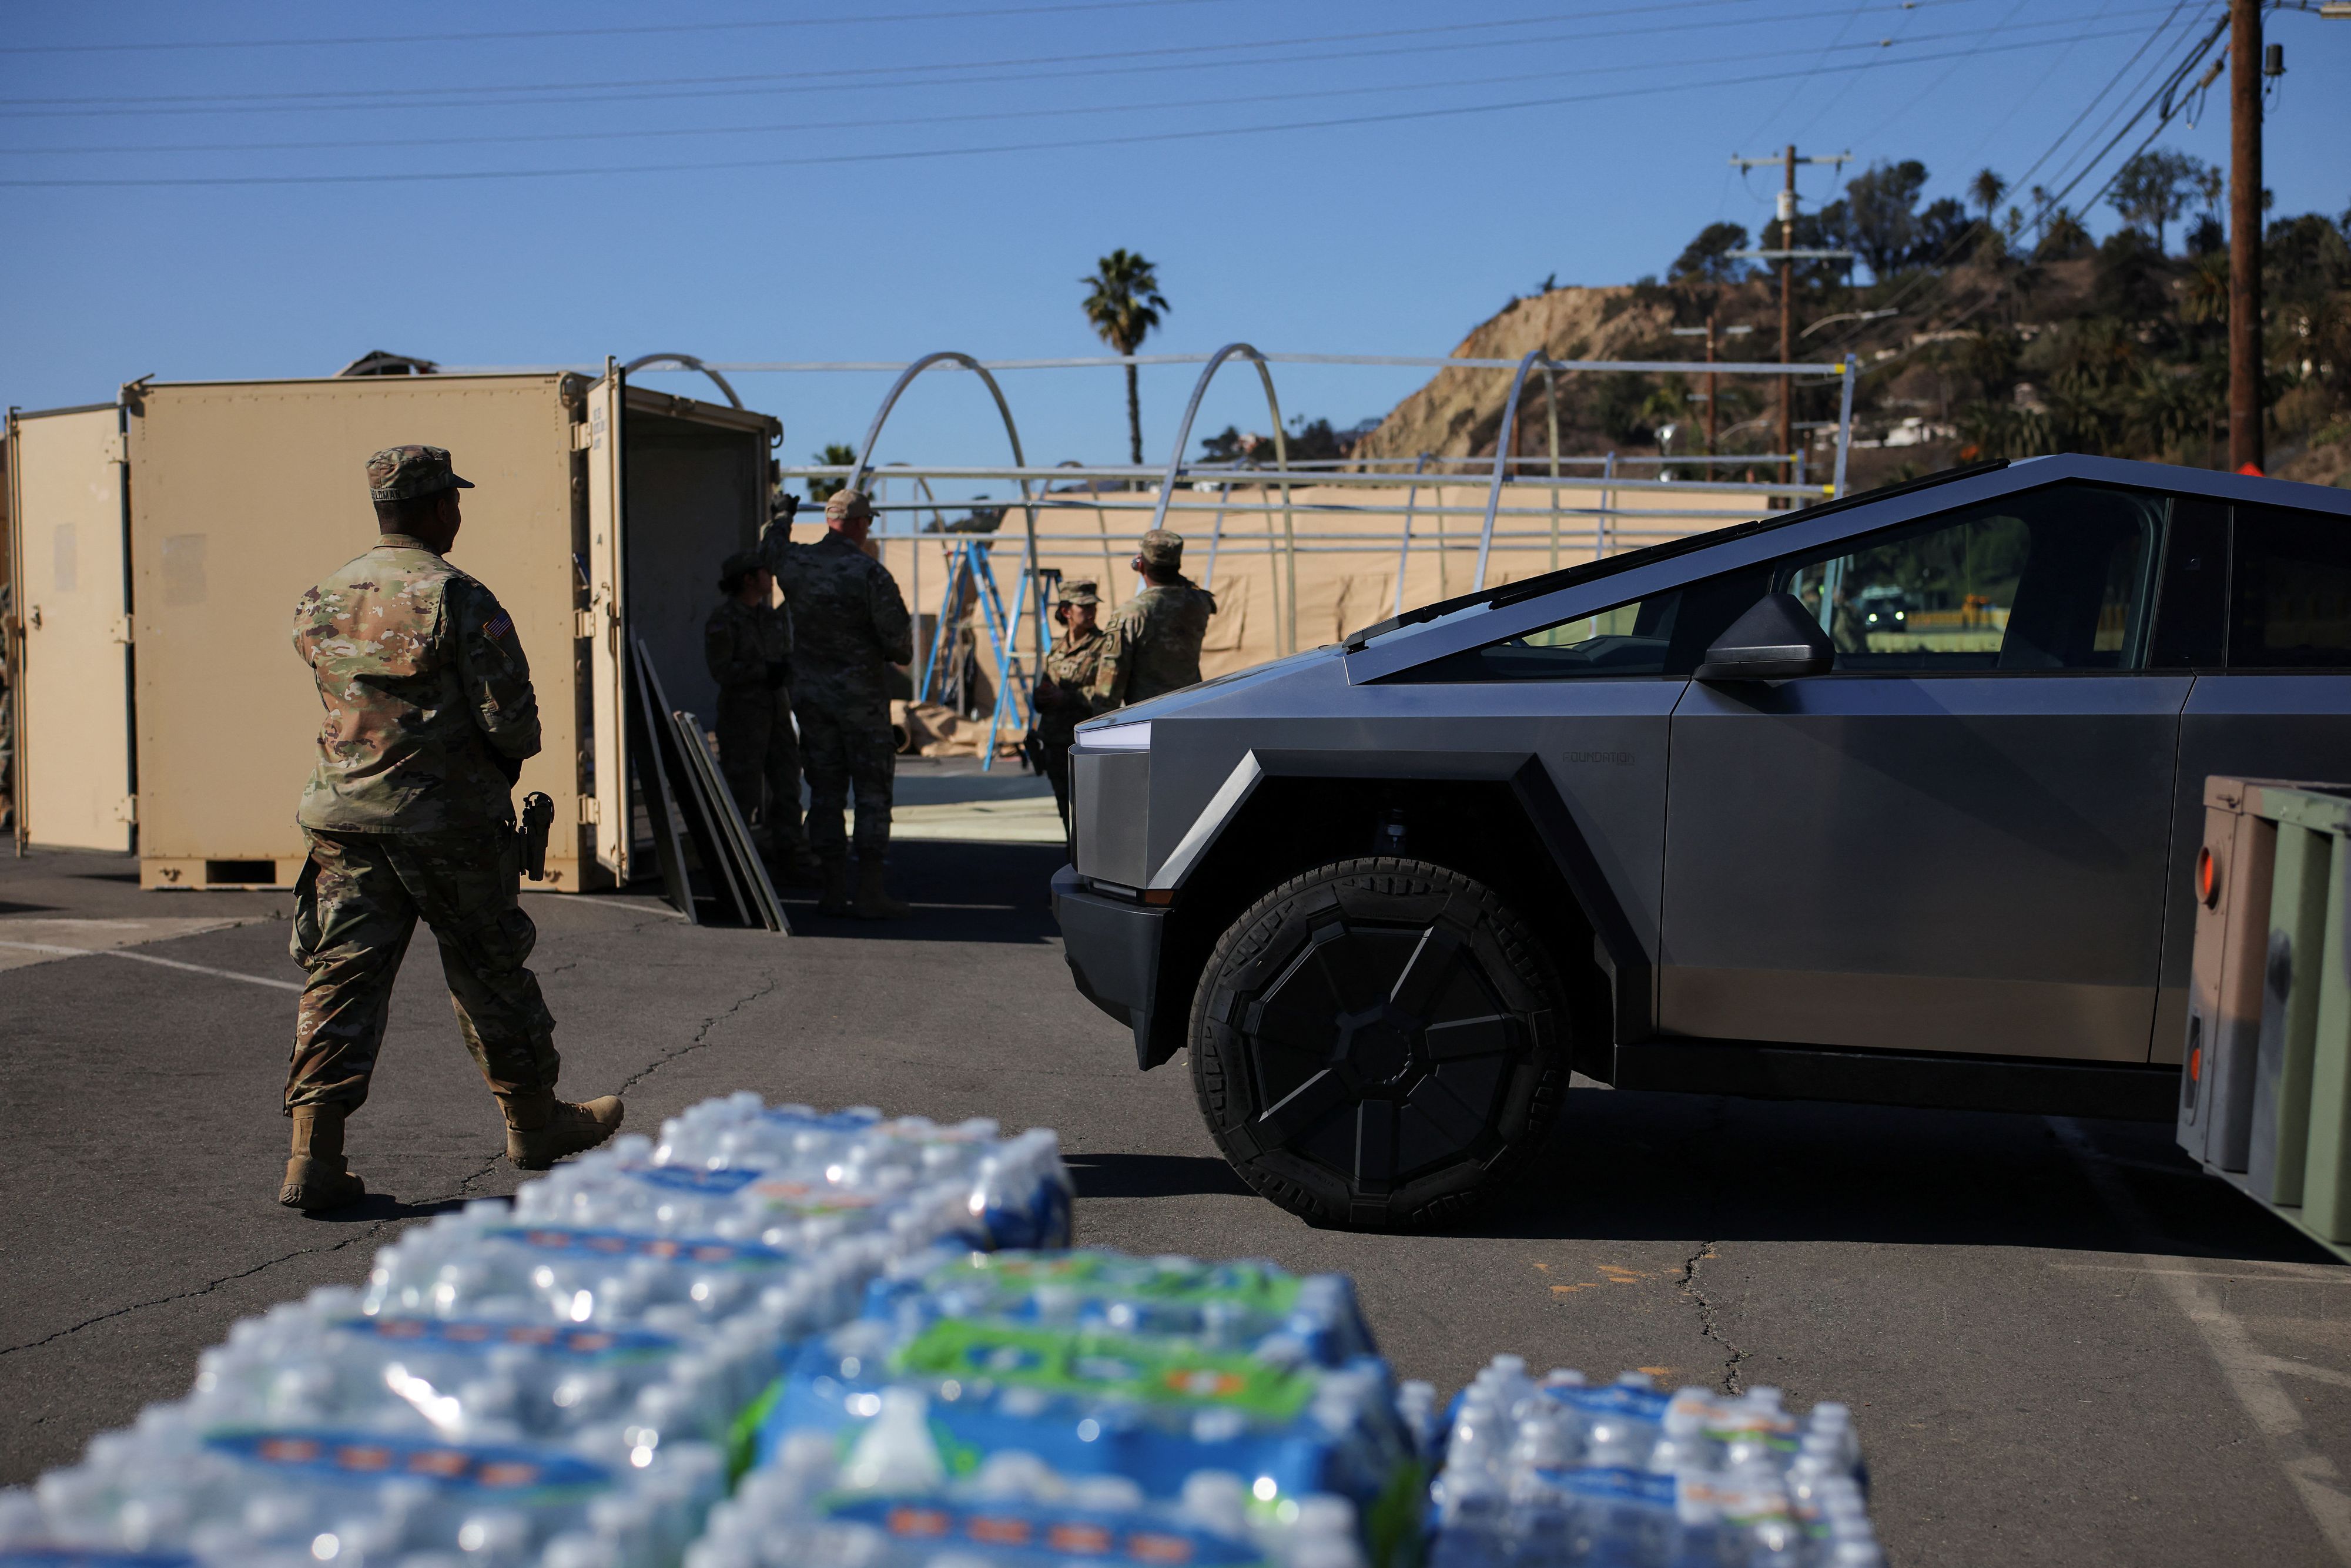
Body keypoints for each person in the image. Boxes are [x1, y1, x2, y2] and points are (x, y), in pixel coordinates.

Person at [280, 445, 622, 1213]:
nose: (459, 515)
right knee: (489, 969)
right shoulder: (459, 597)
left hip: (343, 819)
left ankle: (313, 1155)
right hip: (446, 824)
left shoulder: (321, 597)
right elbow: (515, 721)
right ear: (438, 508)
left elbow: (331, 689)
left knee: (339, 979)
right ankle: (535, 1124)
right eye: (454, 503)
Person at [756, 488, 915, 919]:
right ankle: (869, 891)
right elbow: (901, 648)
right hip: (861, 704)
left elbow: (770, 548)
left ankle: (831, 890)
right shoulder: (869, 574)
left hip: (811, 700)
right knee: (871, 794)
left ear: (829, 521)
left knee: (825, 793)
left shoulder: (796, 564)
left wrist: (783, 515)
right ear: (862, 524)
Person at [704, 551, 820, 885]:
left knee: (787, 788)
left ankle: (787, 858)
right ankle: (736, 870)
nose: (770, 579)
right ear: (748, 579)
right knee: (743, 794)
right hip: (744, 718)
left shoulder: (771, 618)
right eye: (764, 573)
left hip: (777, 715)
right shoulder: (724, 620)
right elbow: (721, 669)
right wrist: (764, 672)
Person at [1087, 528, 1217, 712]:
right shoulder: (1199, 603)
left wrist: (1100, 724)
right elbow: (1190, 589)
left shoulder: (1131, 614)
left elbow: (1112, 678)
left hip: (1147, 717)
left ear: (1141, 565)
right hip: (1190, 709)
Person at [1030, 579, 1106, 839]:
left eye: (1093, 606)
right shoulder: (1057, 648)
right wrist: (1041, 696)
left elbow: (1107, 693)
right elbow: (1045, 687)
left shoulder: (1103, 646)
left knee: (1090, 807)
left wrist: (1068, 697)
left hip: (1085, 741)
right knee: (1065, 808)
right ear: (1066, 611)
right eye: (1083, 607)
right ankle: (1071, 855)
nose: (1091, 612)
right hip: (1055, 741)